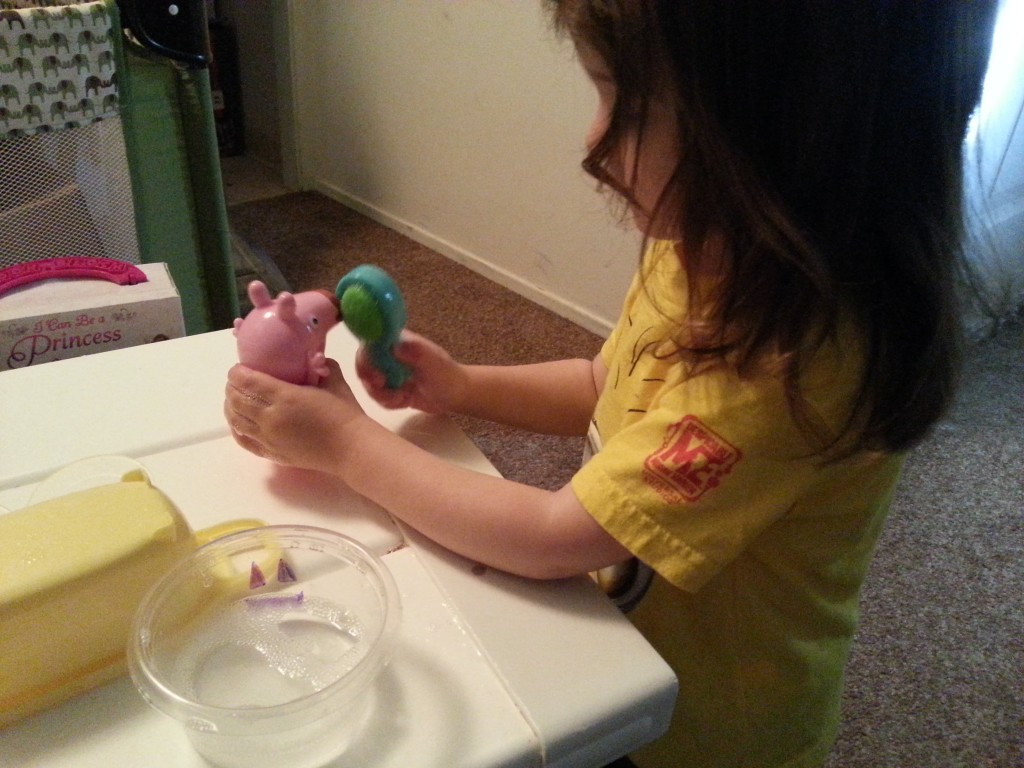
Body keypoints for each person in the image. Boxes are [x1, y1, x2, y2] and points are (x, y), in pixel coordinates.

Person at [224, 2, 998, 765]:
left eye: (627, 104)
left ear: (778, 138)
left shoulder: (786, 369)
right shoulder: (708, 247)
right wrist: (463, 387)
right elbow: (608, 380)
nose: (594, 138)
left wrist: (346, 442)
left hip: (710, 731)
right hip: (621, 636)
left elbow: (555, 537)